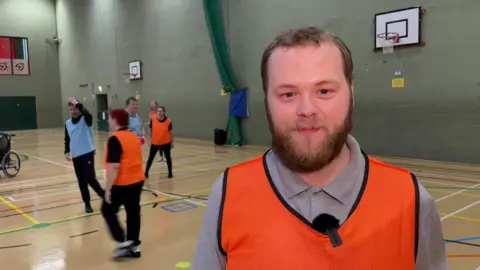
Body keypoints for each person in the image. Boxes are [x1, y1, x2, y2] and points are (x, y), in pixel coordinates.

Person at [192, 27, 446, 269]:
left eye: (324, 90)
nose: (307, 109)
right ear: (267, 99)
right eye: (288, 94)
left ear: (351, 94)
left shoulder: (411, 200)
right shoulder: (228, 193)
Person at [101, 109, 145, 260]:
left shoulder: (115, 139)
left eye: (110, 118)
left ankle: (122, 241)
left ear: (115, 120)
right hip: (137, 181)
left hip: (122, 183)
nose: (109, 121)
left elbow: (114, 166)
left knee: (107, 210)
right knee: (133, 212)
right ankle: (134, 245)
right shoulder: (133, 136)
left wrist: (108, 189)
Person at [64, 97, 105, 213]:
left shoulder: (86, 119)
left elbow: (87, 113)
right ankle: (87, 203)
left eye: (76, 108)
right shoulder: (67, 123)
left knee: (90, 177)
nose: (74, 111)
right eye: (71, 109)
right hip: (76, 156)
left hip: (87, 152)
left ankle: (104, 196)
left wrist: (77, 103)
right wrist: (66, 151)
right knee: (81, 180)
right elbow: (67, 139)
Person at [144, 106, 173, 179]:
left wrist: (172, 142)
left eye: (161, 111)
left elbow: (170, 132)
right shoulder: (153, 119)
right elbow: (150, 130)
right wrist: (149, 140)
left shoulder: (168, 121)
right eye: (158, 111)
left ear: (164, 112)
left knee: (168, 158)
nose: (160, 112)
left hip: (166, 143)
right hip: (155, 143)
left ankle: (170, 173)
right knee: (150, 158)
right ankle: (146, 173)